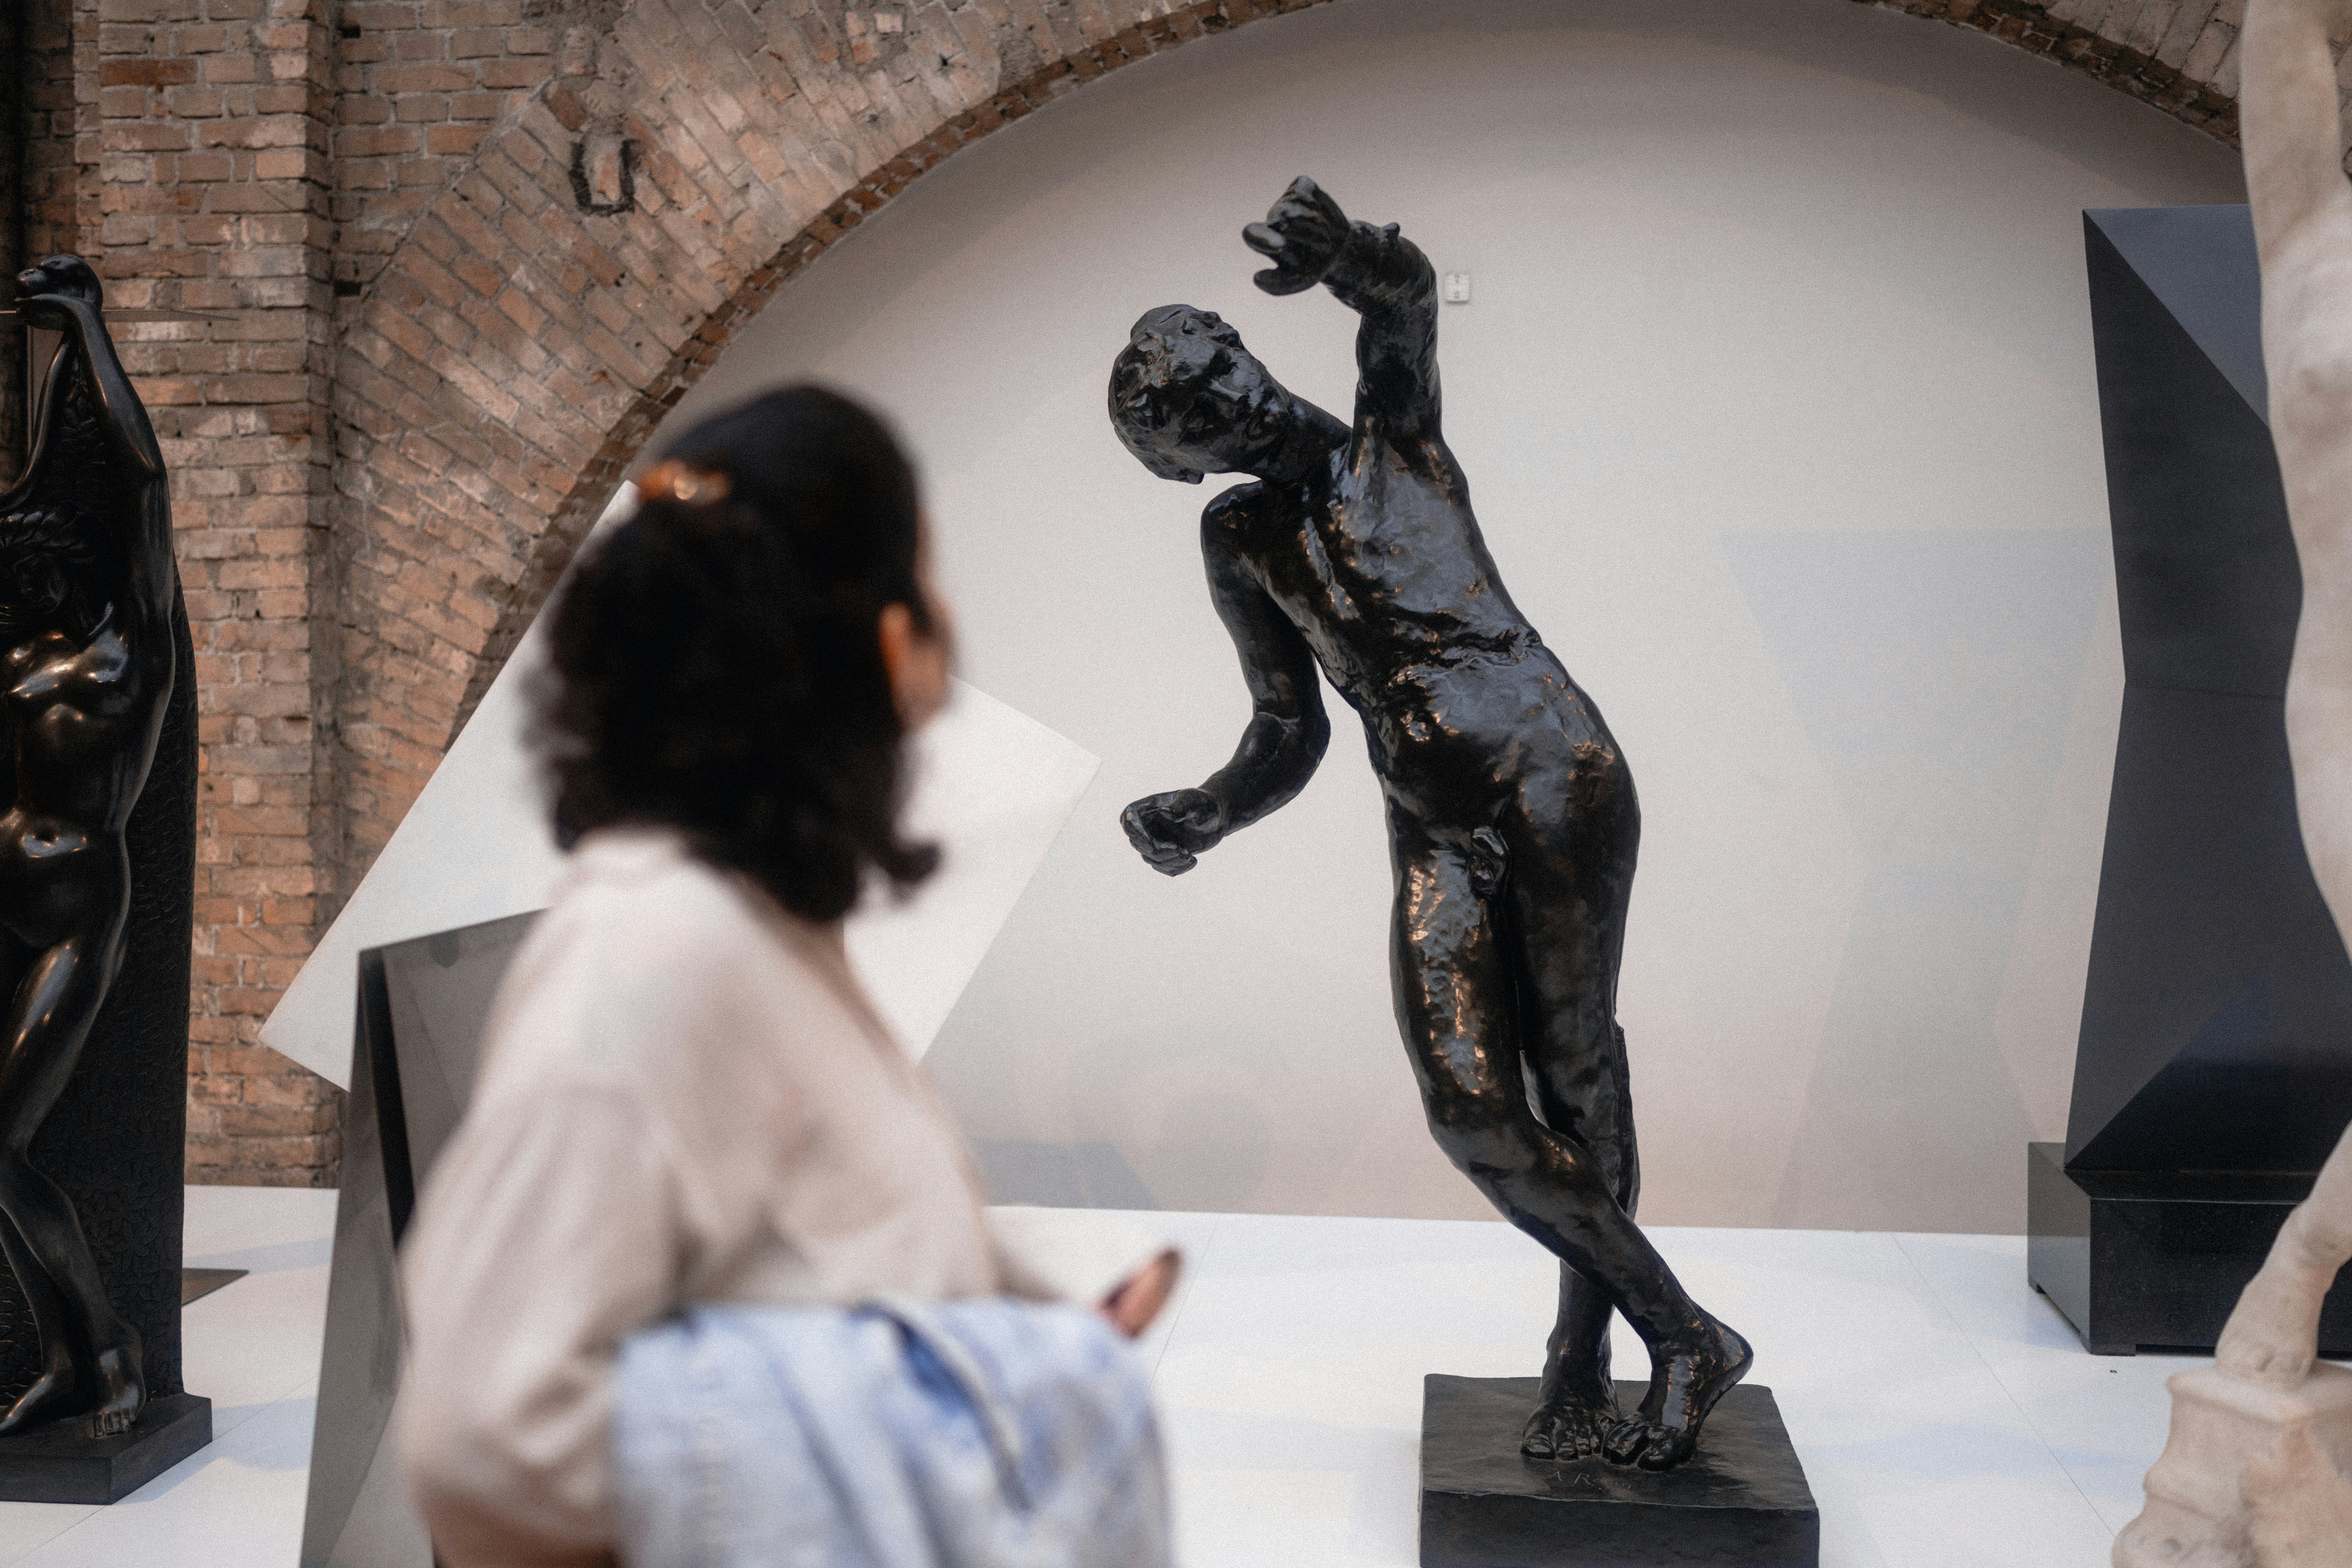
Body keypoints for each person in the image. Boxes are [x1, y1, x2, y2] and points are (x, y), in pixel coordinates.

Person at [398, 387, 1170, 1567]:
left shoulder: (759, 925)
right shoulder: (650, 952)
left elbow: (810, 1251)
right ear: (885, 643)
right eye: (922, 573)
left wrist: (1036, 1343)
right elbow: (487, 1438)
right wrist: (909, 1426)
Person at [1108, 177, 1748, 1469]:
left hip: (1550, 773)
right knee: (1469, 1105)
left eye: (1218, 379)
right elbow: (1289, 730)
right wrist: (1210, 810)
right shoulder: (1240, 541)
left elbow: (1399, 304)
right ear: (1183, 467)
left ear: (1241, 352)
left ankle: (1586, 1355)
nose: (1228, 416)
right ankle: (1684, 1331)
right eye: (1194, 431)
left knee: (1572, 1076)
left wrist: (1351, 254)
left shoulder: (1384, 441)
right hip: (1430, 831)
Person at [0, 255, 180, 1437]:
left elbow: (146, 480)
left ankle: (109, 1350)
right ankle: (73, 1355)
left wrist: (85, 327)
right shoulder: (18, 658)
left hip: (72, 918)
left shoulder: (131, 650)